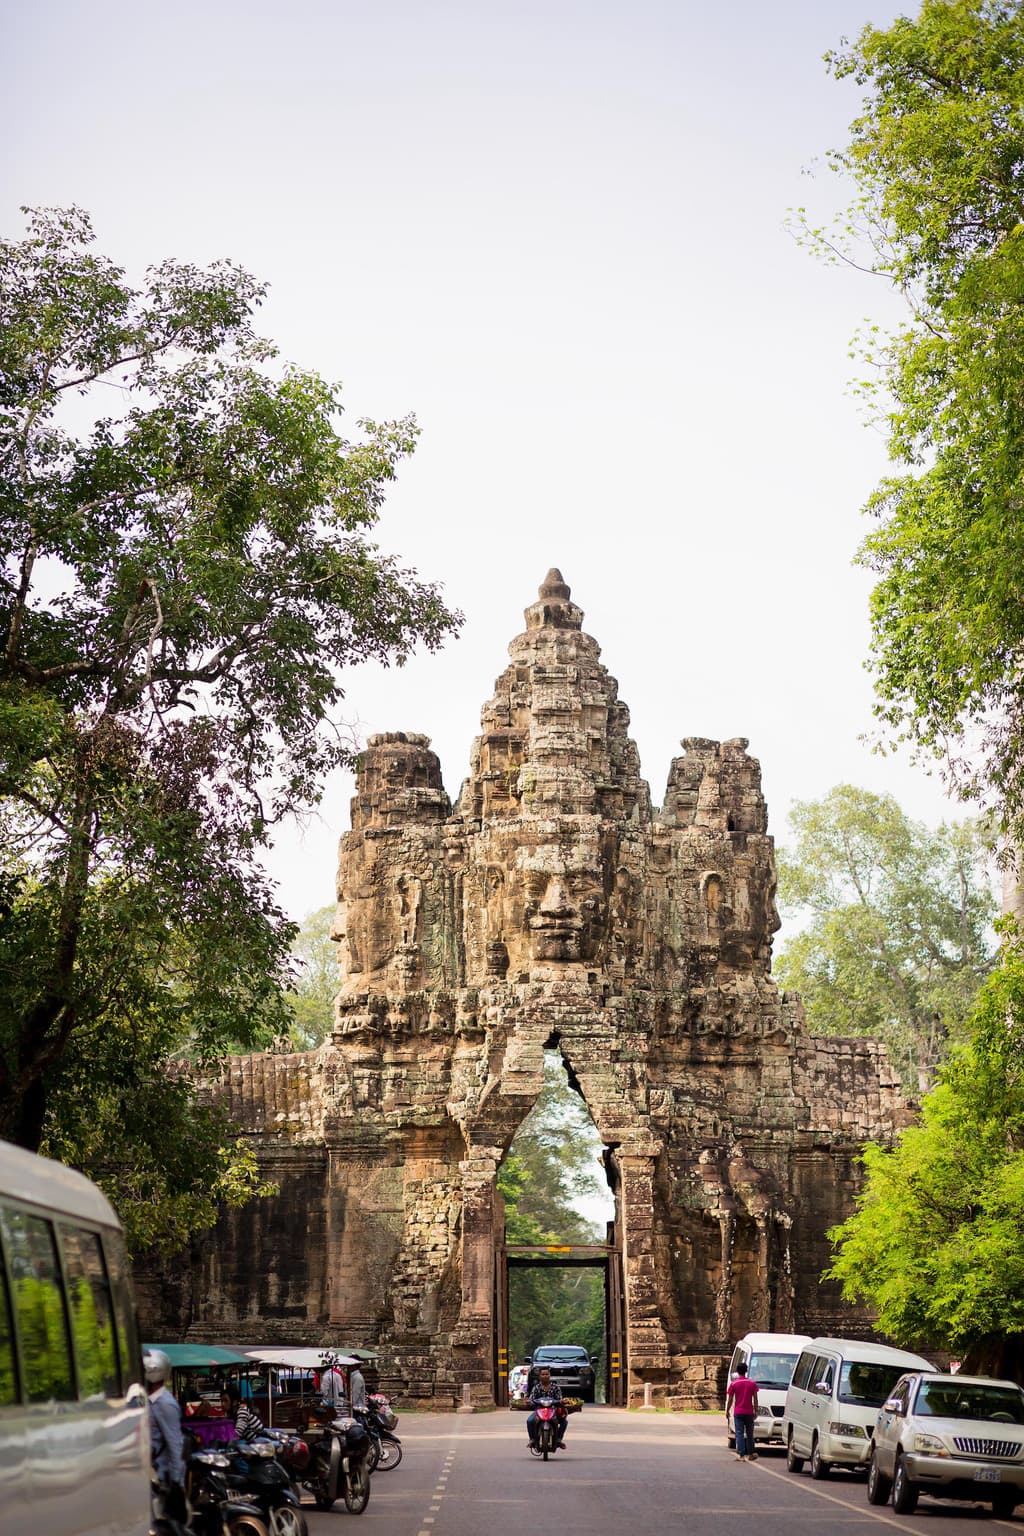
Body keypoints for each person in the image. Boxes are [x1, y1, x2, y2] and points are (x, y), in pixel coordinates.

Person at [145, 1348, 186, 1521]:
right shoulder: (149, 1401)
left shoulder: (165, 1404)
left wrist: (177, 1484)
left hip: (159, 1479)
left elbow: (175, 1445)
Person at [725, 1361, 759, 1462]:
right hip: (749, 1412)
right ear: (746, 1371)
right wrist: (756, 1410)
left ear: (737, 1371)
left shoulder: (734, 1384)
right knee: (749, 1433)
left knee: (739, 1433)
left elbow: (730, 1399)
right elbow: (755, 1399)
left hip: (738, 1411)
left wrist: (727, 1411)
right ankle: (751, 1453)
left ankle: (741, 1454)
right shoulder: (752, 1383)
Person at [527, 1366, 567, 1451]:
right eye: (543, 1374)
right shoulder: (536, 1387)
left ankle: (559, 1440)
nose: (545, 1376)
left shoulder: (556, 1387)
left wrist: (562, 1401)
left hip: (553, 1411)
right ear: (540, 1376)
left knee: (564, 1422)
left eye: (546, 1374)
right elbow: (531, 1399)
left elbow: (560, 1399)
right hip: (539, 1411)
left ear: (550, 1375)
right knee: (529, 1421)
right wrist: (529, 1402)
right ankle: (532, 1440)